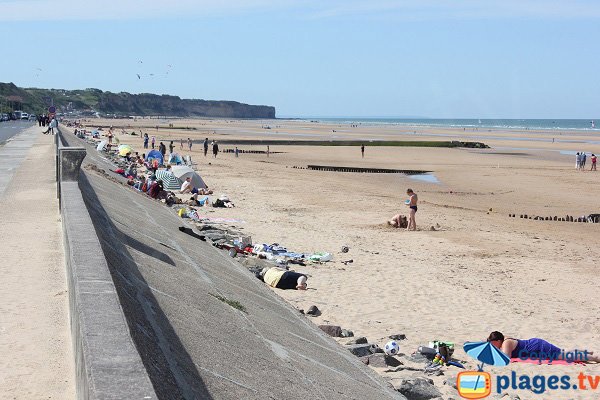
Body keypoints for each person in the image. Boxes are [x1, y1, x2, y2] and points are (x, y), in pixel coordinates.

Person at [487, 331, 600, 363]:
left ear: (498, 341)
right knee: (561, 351)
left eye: (493, 344)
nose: (493, 346)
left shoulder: (506, 343)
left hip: (538, 349)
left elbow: (505, 359)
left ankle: (595, 358)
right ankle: (588, 352)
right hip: (536, 343)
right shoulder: (504, 337)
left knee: (565, 356)